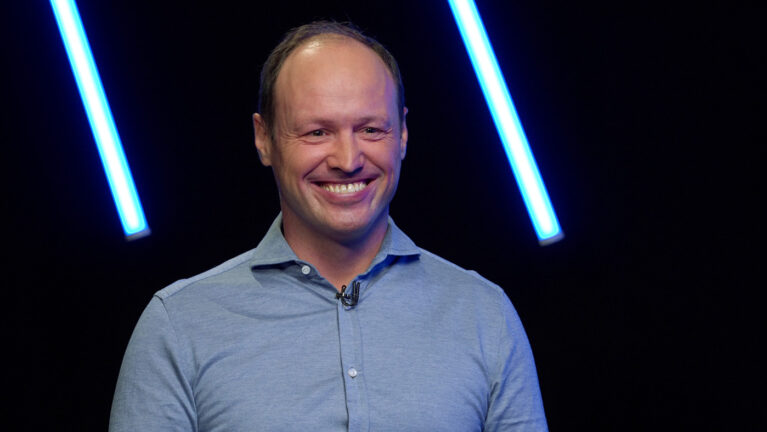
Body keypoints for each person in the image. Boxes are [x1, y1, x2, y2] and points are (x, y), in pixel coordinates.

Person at [109, 21, 548, 432]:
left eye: (371, 129)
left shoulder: (485, 316)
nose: (348, 160)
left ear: (403, 134)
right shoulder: (179, 325)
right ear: (263, 138)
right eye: (317, 132)